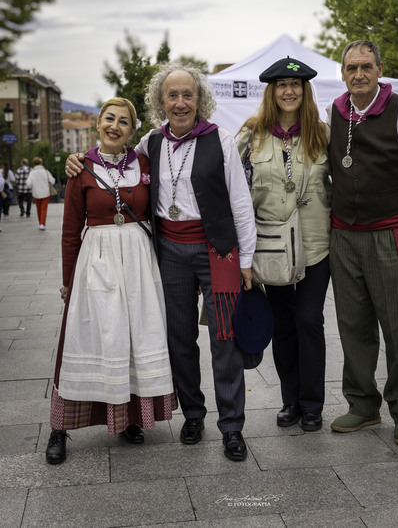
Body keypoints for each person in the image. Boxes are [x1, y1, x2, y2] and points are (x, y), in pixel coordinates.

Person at [66, 64, 256, 462]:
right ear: (160, 102)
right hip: (168, 250)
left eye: (188, 95)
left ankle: (232, 426)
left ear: (199, 100)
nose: (180, 103)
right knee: (179, 338)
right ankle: (193, 415)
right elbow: (113, 161)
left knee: (225, 339)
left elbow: (240, 202)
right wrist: (78, 159)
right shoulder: (150, 143)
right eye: (172, 95)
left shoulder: (220, 139)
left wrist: (247, 259)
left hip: (217, 250)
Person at [46, 97, 176, 465]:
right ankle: (59, 428)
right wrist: (68, 281)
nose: (114, 126)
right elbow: (70, 231)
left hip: (138, 263)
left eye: (123, 121)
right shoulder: (81, 169)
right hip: (97, 262)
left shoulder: (144, 163)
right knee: (86, 338)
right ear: (98, 123)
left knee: (134, 338)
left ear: (133, 131)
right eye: (109, 118)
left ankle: (130, 419)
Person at [327, 40, 398, 446]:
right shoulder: (334, 111)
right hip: (344, 234)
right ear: (342, 73)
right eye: (352, 67)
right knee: (352, 324)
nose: (359, 74)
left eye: (366, 66)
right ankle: (362, 404)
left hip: (392, 233)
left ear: (379, 69)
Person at [237, 57, 331, 432]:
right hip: (271, 247)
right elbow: (233, 189)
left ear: (304, 91)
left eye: (295, 85)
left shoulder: (322, 134)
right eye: (281, 85)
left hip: (315, 246)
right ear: (271, 92)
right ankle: (290, 401)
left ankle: (312, 404)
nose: (288, 91)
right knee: (283, 324)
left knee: (308, 319)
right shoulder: (251, 135)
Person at [26, 157, 55, 230]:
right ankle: (42, 224)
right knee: (44, 209)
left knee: (38, 208)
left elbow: (28, 183)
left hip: (36, 193)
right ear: (41, 163)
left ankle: (40, 223)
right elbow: (52, 180)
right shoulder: (46, 171)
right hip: (46, 192)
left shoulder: (32, 172)